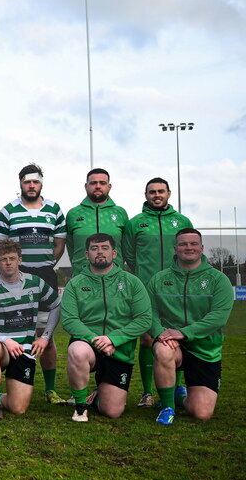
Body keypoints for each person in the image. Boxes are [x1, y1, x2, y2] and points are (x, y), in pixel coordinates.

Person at [0, 163, 67, 405]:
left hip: (44, 275)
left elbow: (59, 245)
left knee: (45, 334)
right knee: (11, 329)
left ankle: (51, 389)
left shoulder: (54, 209)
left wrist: (43, 265)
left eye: (35, 182)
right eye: (26, 182)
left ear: (41, 183)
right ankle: (5, 385)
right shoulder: (7, 211)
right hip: (16, 276)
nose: (31, 185)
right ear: (20, 183)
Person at [61, 234, 151, 422]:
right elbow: (69, 320)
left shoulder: (131, 282)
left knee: (112, 411)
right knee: (77, 350)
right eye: (94, 248)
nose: (99, 252)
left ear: (114, 253)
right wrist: (97, 340)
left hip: (118, 350)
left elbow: (144, 319)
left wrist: (113, 339)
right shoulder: (75, 283)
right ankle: (80, 406)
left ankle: (97, 396)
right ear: (87, 254)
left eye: (104, 248)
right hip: (88, 345)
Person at [147, 229, 233, 425]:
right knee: (163, 349)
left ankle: (179, 397)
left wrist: (184, 333)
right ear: (175, 248)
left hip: (205, 349)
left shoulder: (218, 280)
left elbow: (219, 317)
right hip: (171, 343)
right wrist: (160, 332)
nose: (188, 247)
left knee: (201, 413)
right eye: (183, 244)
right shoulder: (159, 279)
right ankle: (168, 406)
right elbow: (149, 312)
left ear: (202, 248)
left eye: (193, 244)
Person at [121, 177, 194, 407]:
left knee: (176, 338)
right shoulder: (135, 223)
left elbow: (188, 250)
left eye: (161, 191)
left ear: (169, 194)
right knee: (146, 339)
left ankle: (174, 389)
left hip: (176, 290)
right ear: (146, 195)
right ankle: (147, 392)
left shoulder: (182, 221)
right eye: (152, 192)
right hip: (146, 290)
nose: (156, 195)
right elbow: (130, 256)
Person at [0, 240, 61, 420]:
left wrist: (45, 337)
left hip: (24, 350)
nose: (8, 262)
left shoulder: (35, 282)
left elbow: (56, 305)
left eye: (12, 258)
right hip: (3, 348)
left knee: (18, 408)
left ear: (19, 260)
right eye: (3, 259)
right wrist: (6, 340)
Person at [65, 168, 129, 278]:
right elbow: (71, 247)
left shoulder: (120, 213)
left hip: (115, 278)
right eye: (93, 183)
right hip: (82, 278)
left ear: (109, 186)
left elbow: (127, 247)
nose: (98, 186)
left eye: (102, 183)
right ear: (86, 186)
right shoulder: (73, 214)